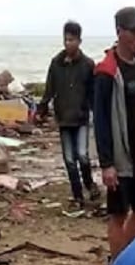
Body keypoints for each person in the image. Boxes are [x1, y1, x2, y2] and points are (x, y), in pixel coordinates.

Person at [93, 6, 135, 259]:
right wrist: (107, 164)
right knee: (118, 214)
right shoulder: (106, 72)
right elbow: (99, 121)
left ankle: (123, 259)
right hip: (120, 157)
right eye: (134, 31)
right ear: (119, 32)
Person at [38, 21, 99, 208]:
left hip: (81, 117)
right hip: (64, 117)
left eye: (71, 40)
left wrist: (97, 113)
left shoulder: (88, 65)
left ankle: (90, 184)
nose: (68, 43)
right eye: (65, 39)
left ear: (79, 41)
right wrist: (41, 110)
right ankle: (78, 195)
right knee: (69, 160)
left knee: (82, 155)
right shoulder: (56, 63)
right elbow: (49, 89)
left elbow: (93, 92)